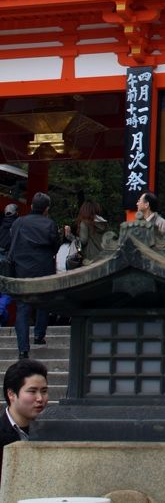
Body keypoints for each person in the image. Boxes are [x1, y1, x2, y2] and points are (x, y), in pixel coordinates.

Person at [9, 192, 59, 358]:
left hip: (22, 269)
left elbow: (12, 242)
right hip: (43, 267)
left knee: (22, 308)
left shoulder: (19, 222)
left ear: (31, 206)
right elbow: (55, 245)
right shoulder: (50, 223)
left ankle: (23, 348)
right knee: (44, 302)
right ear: (46, 209)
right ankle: (39, 335)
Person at [0, 359, 48, 480]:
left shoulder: (52, 430)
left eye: (44, 391)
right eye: (32, 391)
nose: (40, 398)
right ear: (11, 394)